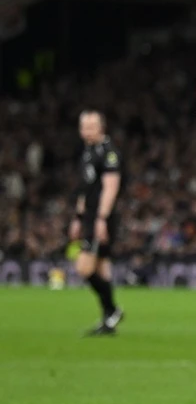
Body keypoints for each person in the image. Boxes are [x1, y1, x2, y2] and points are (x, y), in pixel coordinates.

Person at [71, 110, 125, 336]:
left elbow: (111, 188)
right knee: (101, 268)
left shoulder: (108, 153)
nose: (86, 131)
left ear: (101, 127)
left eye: (91, 127)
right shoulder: (87, 152)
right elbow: (86, 189)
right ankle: (108, 320)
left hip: (101, 218)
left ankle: (113, 310)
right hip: (90, 218)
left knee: (84, 268)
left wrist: (101, 219)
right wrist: (78, 217)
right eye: (83, 127)